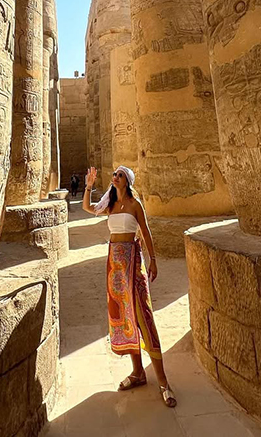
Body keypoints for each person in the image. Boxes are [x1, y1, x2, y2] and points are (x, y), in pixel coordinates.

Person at [82, 164, 177, 407]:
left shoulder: (135, 205)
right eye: (114, 174)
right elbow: (88, 208)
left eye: (119, 175)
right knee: (125, 316)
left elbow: (145, 232)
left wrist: (153, 260)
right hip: (114, 264)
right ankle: (138, 373)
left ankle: (164, 381)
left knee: (143, 315)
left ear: (127, 180)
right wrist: (88, 186)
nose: (115, 177)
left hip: (133, 262)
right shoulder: (111, 205)